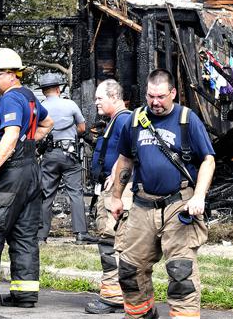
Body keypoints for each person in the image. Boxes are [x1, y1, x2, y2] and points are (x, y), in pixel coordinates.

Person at [108, 70, 215, 319]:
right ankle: (140, 315)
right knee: (129, 269)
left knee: (181, 272)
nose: (155, 102)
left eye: (160, 97)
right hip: (142, 205)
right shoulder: (134, 120)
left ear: (173, 94)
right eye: (150, 96)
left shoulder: (187, 119)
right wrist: (116, 197)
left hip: (179, 205)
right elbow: (124, 161)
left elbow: (208, 160)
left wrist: (199, 197)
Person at [0, 47, 54, 310]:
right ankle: (25, 295)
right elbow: (47, 123)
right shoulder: (28, 96)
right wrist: (30, 144)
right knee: (24, 234)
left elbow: (11, 134)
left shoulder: (9, 99)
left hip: (8, 174)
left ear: (14, 75)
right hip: (29, 172)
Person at [84, 79, 134, 314]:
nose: (95, 103)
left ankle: (113, 294)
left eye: (99, 98)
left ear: (114, 97)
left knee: (110, 239)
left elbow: (129, 153)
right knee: (110, 239)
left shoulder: (124, 120)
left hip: (117, 191)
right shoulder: (117, 121)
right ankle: (117, 291)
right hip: (111, 189)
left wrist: (114, 177)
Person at [37, 72, 94, 244]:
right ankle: (81, 234)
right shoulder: (70, 104)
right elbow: (82, 128)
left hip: (50, 154)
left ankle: (41, 236)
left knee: (46, 195)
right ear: (58, 88)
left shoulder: (41, 107)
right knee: (75, 193)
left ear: (45, 90)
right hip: (70, 153)